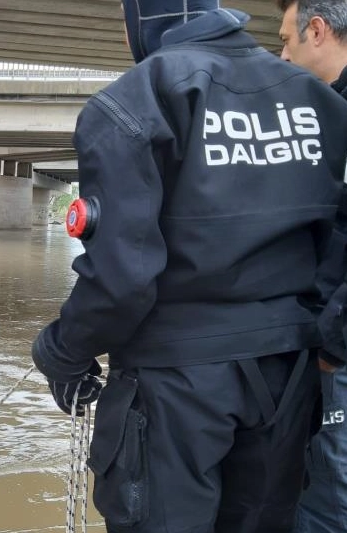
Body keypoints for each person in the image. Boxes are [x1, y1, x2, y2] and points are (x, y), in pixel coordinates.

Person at [30, 1, 347, 531]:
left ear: (145, 17)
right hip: (289, 378)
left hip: (174, 384)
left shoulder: (137, 99)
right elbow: (335, 243)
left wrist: (63, 352)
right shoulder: (320, 101)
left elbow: (121, 279)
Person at [277, 2, 347, 531]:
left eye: (286, 40)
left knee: (327, 496)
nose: (281, 55)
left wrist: (331, 344)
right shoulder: (329, 111)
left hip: (337, 354)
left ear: (317, 31)